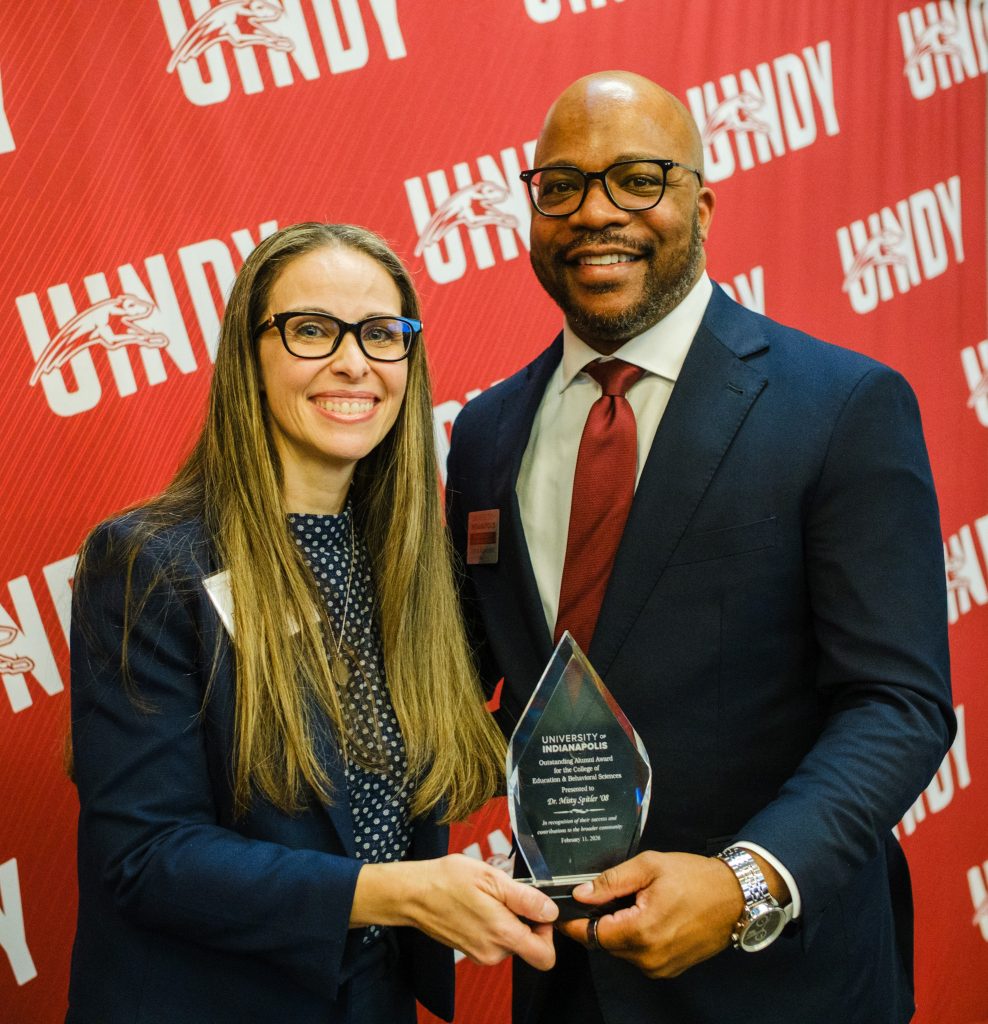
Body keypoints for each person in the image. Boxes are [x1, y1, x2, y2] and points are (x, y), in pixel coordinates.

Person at [445, 71, 954, 1024]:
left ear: (703, 205)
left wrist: (745, 884)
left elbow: (899, 705)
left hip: (779, 983)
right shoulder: (483, 435)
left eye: (639, 178)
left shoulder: (842, 407)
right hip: (562, 980)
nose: (596, 213)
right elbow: (472, 679)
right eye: (560, 186)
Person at [67, 222, 558, 1024]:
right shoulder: (151, 561)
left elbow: (432, 761)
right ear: (248, 357)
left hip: (372, 999)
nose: (353, 361)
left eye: (381, 334)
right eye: (312, 330)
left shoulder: (415, 567)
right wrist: (391, 893)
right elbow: (145, 858)